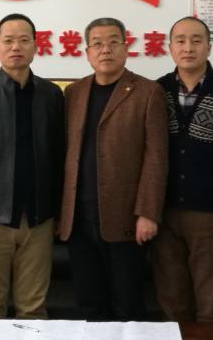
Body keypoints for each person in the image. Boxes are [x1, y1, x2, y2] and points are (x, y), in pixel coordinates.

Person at [57, 17, 168, 321]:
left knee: (128, 304)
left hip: (126, 217)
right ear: (87, 52)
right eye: (97, 43)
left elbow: (156, 157)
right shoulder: (74, 92)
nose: (105, 49)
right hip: (78, 218)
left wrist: (148, 213)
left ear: (125, 47)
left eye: (113, 42)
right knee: (89, 304)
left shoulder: (148, 92)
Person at [0, 14, 65, 319]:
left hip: (39, 220)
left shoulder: (51, 94)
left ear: (35, 46)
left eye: (23, 40)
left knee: (33, 307)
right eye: (8, 40)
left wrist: (59, 213)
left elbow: (60, 158)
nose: (16, 46)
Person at [151, 17, 213, 323]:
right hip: (164, 214)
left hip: (212, 217)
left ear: (209, 47)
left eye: (196, 40)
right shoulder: (157, 91)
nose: (188, 47)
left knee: (212, 307)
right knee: (172, 304)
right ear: (170, 48)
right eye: (180, 41)